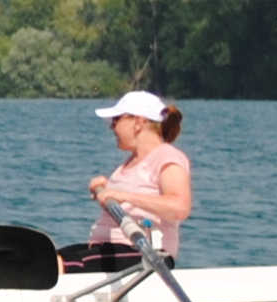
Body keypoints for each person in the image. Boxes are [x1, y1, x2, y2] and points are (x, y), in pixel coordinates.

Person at [72, 89, 193, 270]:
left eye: (116, 120)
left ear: (137, 122)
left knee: (56, 266)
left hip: (146, 254)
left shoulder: (169, 157)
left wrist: (124, 196)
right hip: (107, 248)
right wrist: (106, 188)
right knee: (48, 256)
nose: (112, 127)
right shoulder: (129, 164)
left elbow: (179, 208)